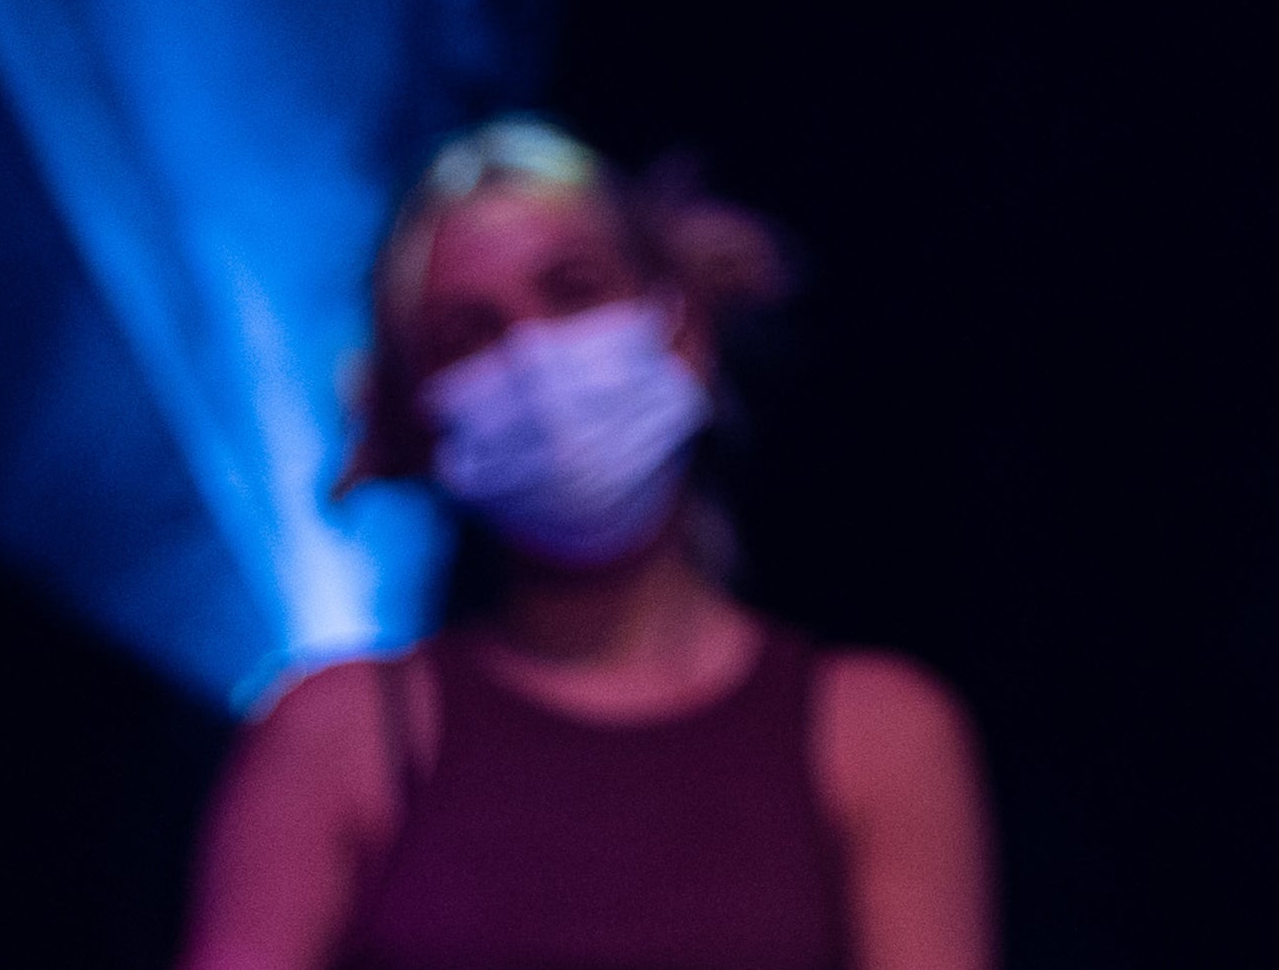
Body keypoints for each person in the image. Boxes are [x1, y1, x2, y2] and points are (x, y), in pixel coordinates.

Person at [177, 123, 993, 970]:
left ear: (681, 329)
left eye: (572, 290)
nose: (533, 356)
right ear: (423, 414)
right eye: (468, 333)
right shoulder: (337, 732)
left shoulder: (876, 731)